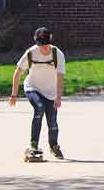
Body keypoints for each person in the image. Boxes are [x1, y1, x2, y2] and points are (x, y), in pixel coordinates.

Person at [9, 27, 67, 159]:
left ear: (50, 40)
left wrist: (58, 97)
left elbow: (60, 77)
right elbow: (18, 72)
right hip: (32, 87)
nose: (44, 48)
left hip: (51, 92)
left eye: (46, 45)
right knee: (39, 108)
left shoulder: (57, 54)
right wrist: (14, 94)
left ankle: (54, 146)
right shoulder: (31, 53)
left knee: (52, 122)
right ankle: (33, 144)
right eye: (41, 46)